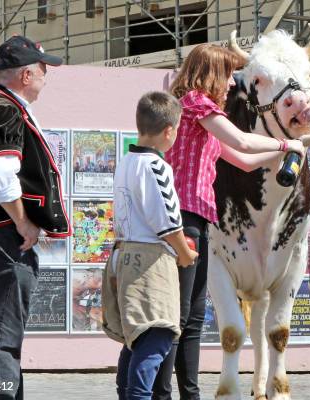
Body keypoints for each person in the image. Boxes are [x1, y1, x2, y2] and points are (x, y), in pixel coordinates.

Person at [153, 43, 310, 400]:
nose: (232, 87)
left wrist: (297, 146)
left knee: (189, 316)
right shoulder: (195, 103)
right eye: (229, 78)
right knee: (178, 314)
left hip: (198, 217)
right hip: (183, 216)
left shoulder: (202, 119)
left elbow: (244, 161)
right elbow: (241, 141)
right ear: (211, 74)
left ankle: (188, 393)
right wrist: (286, 147)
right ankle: (159, 392)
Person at [0, 35, 69, 399]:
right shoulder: (3, 110)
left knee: (0, 336)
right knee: (1, 339)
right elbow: (0, 177)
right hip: (1, 236)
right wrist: (23, 221)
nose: (44, 77)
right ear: (25, 75)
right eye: (42, 70)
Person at [102, 91, 198, 400]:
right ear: (169, 131)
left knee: (136, 338)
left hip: (123, 252)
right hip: (149, 259)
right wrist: (185, 254)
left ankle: (129, 394)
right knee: (156, 335)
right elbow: (168, 220)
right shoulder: (157, 167)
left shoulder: (126, 161)